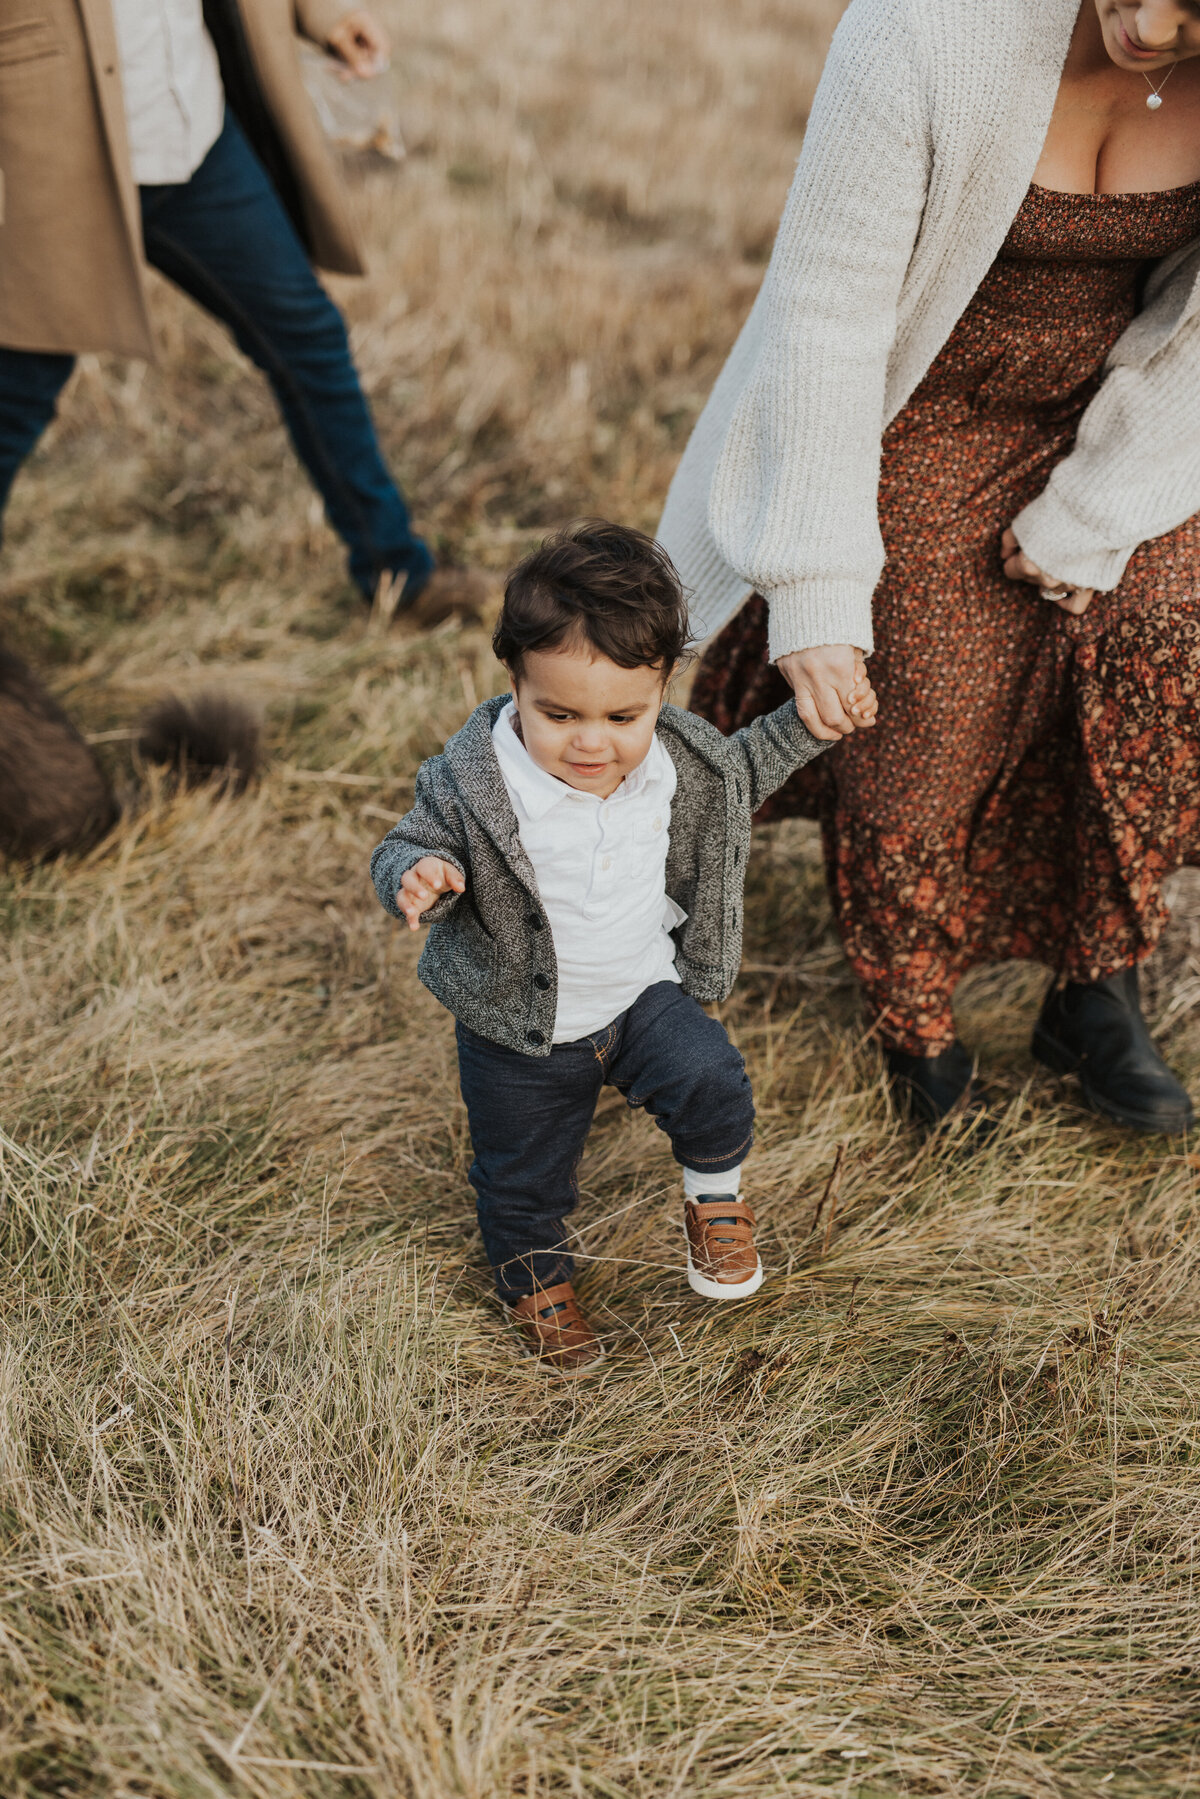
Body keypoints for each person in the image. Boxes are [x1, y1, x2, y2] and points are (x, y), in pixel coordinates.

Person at [659, 0, 1200, 1138]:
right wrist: (814, 582)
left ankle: (1095, 978)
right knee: (927, 707)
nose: (1152, 27)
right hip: (915, 401)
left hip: (1129, 413)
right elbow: (829, 316)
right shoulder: (927, 30)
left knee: (1167, 628)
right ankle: (915, 1017)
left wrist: (1101, 504)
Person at [369, 523, 874, 1373]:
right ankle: (535, 1281)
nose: (591, 742)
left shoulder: (675, 761)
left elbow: (746, 765)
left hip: (640, 996)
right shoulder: (474, 780)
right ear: (515, 683)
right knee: (525, 1176)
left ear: (663, 685)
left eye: (622, 715)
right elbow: (405, 841)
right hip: (520, 1033)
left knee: (713, 1080)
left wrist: (815, 723)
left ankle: (713, 1203)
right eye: (558, 713)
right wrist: (419, 871)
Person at [0, 0, 455, 610]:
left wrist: (321, 13)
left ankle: (398, 576)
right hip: (45, 154)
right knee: (16, 397)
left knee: (306, 336)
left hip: (194, 138)